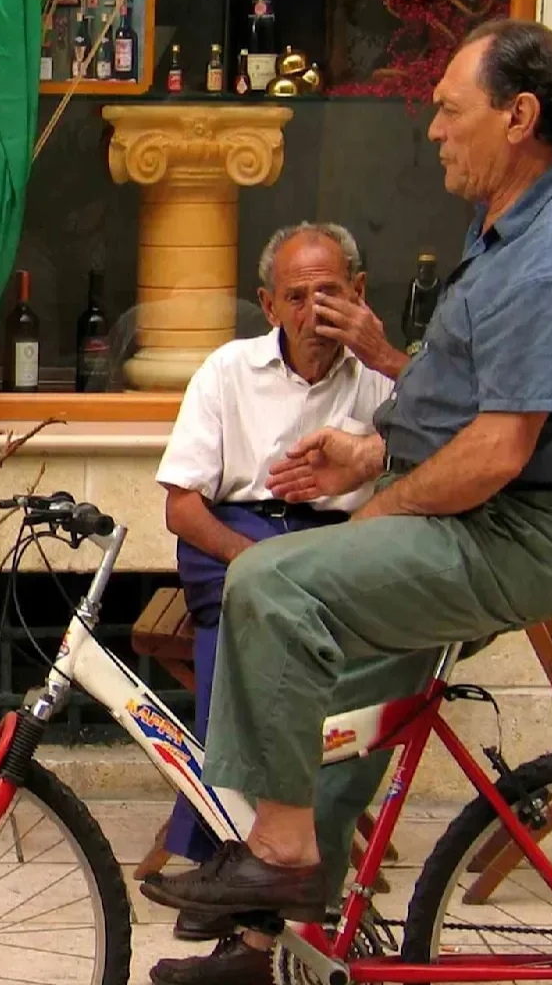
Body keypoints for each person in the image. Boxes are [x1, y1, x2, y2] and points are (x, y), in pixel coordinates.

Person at [144, 19, 552, 984]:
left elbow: (501, 449)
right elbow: (472, 406)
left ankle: (280, 861)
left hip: (509, 534)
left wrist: (376, 508)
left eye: (451, 112)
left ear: (519, 115)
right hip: (478, 519)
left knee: (274, 585)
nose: (433, 132)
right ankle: (267, 950)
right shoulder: (511, 229)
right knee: (334, 730)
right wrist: (370, 448)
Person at [151, 222, 398, 956]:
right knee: (239, 635)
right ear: (267, 304)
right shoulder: (228, 370)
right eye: (297, 295)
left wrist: (380, 347)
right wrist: (247, 560)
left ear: (358, 293)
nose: (313, 309)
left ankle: (293, 856)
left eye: (330, 292)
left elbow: (450, 432)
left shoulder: (384, 375)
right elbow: (181, 503)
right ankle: (220, 854)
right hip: (236, 534)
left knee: (338, 663)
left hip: (340, 542)